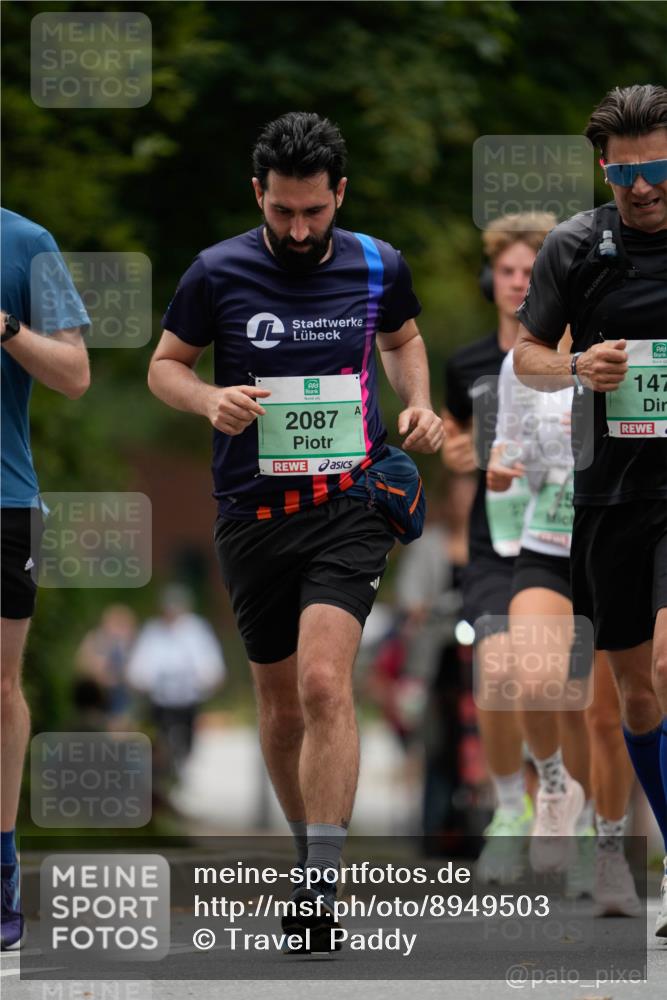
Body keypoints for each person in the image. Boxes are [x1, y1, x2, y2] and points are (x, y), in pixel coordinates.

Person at [148, 112, 443, 948]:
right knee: (278, 708)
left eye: (314, 211)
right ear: (259, 195)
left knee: (322, 683)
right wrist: (208, 399)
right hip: (251, 514)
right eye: (282, 212)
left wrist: (416, 403)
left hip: (349, 503)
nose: (300, 229)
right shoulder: (216, 272)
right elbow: (163, 366)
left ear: (338, 194)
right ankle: (306, 847)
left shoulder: (379, 263)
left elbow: (404, 340)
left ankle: (320, 884)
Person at [513, 83, 667, 935]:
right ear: (601, 170)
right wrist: (576, 369)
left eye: (658, 168)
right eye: (622, 173)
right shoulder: (576, 246)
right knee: (635, 698)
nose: (641, 188)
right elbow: (526, 356)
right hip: (610, 493)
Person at [488, 340, 640, 916]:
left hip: (614, 545)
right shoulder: (520, 363)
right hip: (545, 548)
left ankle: (606, 852)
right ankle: (552, 786)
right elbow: (502, 455)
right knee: (533, 680)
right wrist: (500, 468)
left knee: (605, 716)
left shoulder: (637, 344)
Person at [443, 212, 556, 883]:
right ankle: (509, 809)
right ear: (491, 280)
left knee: (557, 684)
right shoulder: (467, 365)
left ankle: (560, 797)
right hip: (494, 542)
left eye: (530, 272)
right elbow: (454, 445)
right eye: (508, 271)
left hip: (566, 535)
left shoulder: (577, 352)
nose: (517, 283)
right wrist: (456, 453)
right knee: (494, 673)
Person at [1, 208, 90, 950]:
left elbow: (74, 373)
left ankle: (0, 864)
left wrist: (5, 328)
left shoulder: (28, 244)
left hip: (3, 501)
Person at [126, 586, 225, 778]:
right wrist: (139, 679)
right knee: (159, 737)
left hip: (188, 696)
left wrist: (209, 677)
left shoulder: (196, 630)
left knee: (186, 737)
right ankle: (164, 770)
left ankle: (182, 764)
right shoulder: (153, 631)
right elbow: (141, 662)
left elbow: (208, 660)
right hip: (160, 698)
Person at [75, 604, 138, 731]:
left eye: (122, 625)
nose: (117, 630)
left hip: (123, 695)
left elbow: (136, 672)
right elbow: (81, 663)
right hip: (97, 695)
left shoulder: (133, 646)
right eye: (115, 624)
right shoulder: (95, 639)